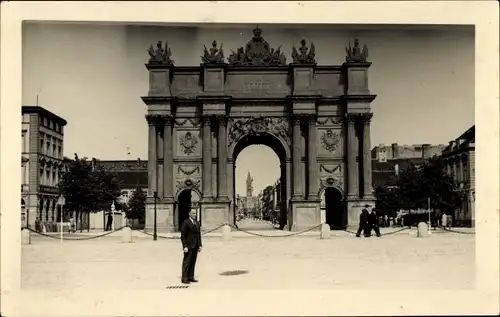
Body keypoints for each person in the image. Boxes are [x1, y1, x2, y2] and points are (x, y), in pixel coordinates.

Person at [180, 209, 202, 284]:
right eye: (193, 213)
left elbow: (198, 235)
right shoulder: (185, 222)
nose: (195, 215)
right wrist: (184, 246)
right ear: (189, 214)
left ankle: (191, 277)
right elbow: (183, 236)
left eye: (195, 213)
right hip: (188, 246)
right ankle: (184, 278)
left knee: (193, 262)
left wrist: (200, 245)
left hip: (195, 245)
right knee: (186, 262)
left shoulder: (197, 223)